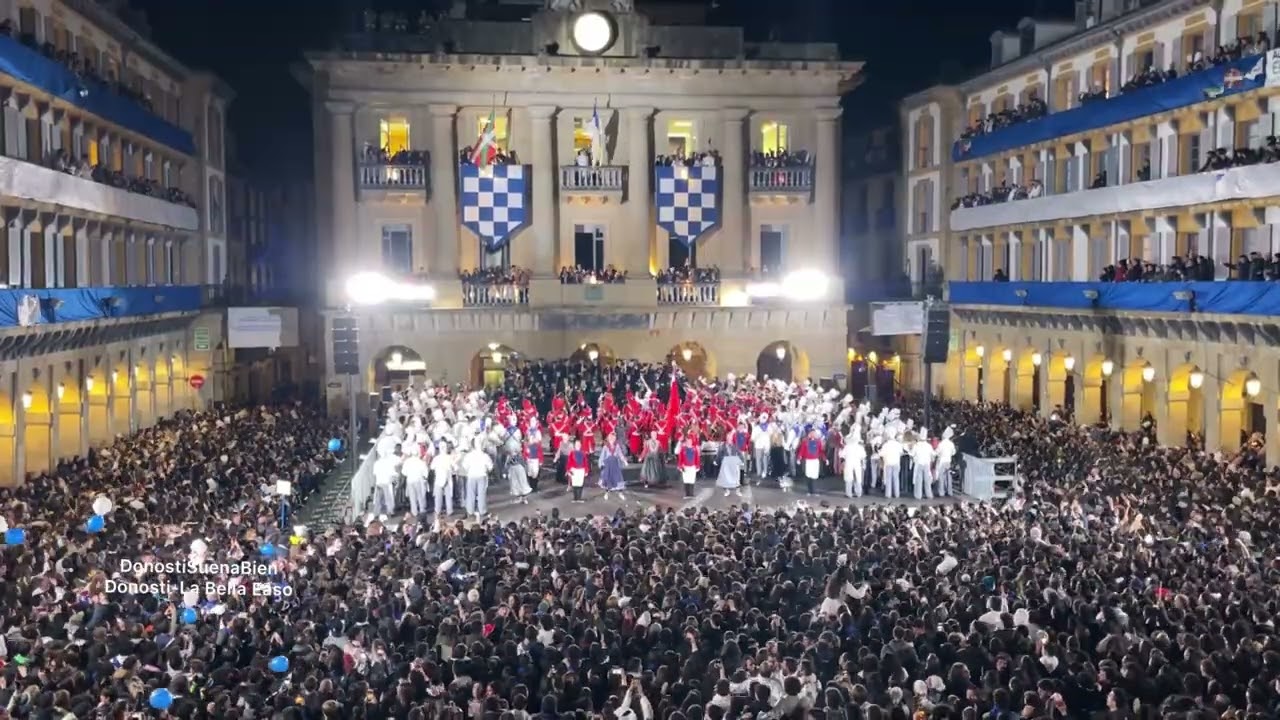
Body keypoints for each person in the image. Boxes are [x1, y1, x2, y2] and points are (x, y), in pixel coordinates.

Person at [461, 438, 493, 520]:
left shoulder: (469, 455)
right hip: (482, 475)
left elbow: (465, 466)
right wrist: (486, 470)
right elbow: (490, 467)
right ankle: (482, 511)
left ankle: (470, 511)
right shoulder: (485, 455)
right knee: (482, 494)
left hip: (471, 475)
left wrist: (469, 470)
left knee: (470, 494)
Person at [429, 441, 455, 527]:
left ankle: (438, 510)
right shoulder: (449, 457)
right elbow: (455, 467)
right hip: (447, 478)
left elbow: (432, 467)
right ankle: (449, 510)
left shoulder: (436, 458)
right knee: (448, 496)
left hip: (439, 479)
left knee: (438, 496)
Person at [795, 428, 824, 496]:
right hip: (808, 461)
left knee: (814, 476)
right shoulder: (805, 442)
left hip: (815, 460)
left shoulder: (818, 442)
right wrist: (799, 458)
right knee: (808, 475)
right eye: (811, 433)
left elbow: (821, 451)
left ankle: (814, 491)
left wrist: (825, 459)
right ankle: (809, 490)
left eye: (814, 433)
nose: (813, 435)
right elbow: (802, 451)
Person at [599, 431, 627, 501]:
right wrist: (601, 464)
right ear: (608, 439)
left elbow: (620, 454)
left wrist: (624, 461)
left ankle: (620, 493)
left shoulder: (617, 446)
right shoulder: (605, 447)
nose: (612, 440)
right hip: (608, 465)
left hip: (615, 465)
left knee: (618, 478)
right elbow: (602, 456)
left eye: (613, 438)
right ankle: (606, 493)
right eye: (610, 438)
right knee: (608, 478)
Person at [401, 446, 429, 516]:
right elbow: (425, 472)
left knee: (412, 496)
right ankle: (422, 509)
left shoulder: (407, 462)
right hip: (419, 480)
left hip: (410, 480)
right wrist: (425, 478)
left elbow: (404, 472)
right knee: (420, 495)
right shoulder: (421, 462)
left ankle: (414, 511)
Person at [911, 427, 935, 500]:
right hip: (926, 464)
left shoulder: (916, 445)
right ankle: (929, 495)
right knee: (927, 480)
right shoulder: (928, 446)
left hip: (919, 463)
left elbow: (912, 454)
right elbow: (933, 454)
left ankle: (918, 495)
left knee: (919, 480)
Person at [842, 424, 866, 498]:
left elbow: (842, 455)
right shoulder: (860, 447)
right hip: (857, 463)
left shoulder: (847, 447)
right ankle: (858, 492)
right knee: (857, 477)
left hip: (849, 462)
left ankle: (849, 493)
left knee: (849, 477)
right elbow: (863, 456)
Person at [880, 428, 903, 499]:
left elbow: (881, 454)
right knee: (896, 478)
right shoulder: (898, 444)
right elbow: (901, 453)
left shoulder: (885, 445)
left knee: (888, 478)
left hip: (888, 463)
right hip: (896, 463)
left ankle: (888, 494)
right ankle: (897, 494)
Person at [565, 437, 589, 502]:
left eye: (579, 444)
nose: (578, 445)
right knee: (575, 484)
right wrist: (568, 470)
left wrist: (586, 471)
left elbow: (585, 462)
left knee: (580, 484)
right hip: (574, 470)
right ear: (574, 445)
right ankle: (575, 498)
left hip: (581, 470)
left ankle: (579, 498)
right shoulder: (572, 453)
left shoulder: (583, 453)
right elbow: (569, 462)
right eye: (576, 444)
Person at [935, 425, 956, 497]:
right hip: (948, 461)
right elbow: (953, 452)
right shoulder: (951, 444)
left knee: (941, 477)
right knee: (949, 477)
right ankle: (950, 492)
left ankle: (941, 492)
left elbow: (937, 452)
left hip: (942, 462)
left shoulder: (941, 444)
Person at [751, 412, 772, 483]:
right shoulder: (757, 428)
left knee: (763, 460)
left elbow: (771, 436)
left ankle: (762, 472)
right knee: (761, 460)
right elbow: (753, 438)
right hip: (759, 446)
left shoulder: (769, 427)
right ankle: (761, 473)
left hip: (765, 446)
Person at [524, 421, 544, 492]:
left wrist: (541, 461)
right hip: (529, 459)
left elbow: (540, 452)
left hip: (536, 459)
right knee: (530, 473)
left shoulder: (537, 444)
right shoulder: (527, 433)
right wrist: (525, 458)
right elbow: (525, 449)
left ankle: (534, 487)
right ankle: (531, 486)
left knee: (535, 473)